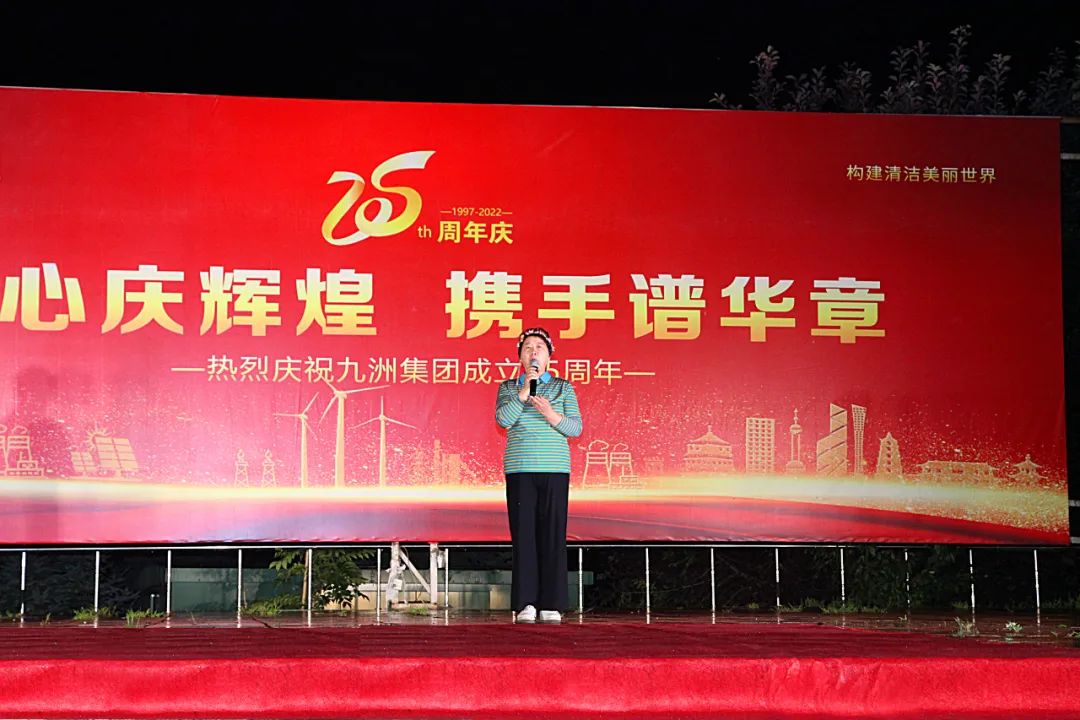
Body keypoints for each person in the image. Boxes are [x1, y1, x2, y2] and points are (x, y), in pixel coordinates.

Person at [495, 327, 582, 623]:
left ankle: (552, 603)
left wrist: (550, 414)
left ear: (549, 356)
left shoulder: (562, 388)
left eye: (539, 348)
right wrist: (523, 393)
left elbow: (576, 428)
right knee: (524, 536)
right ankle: (526, 603)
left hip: (554, 468)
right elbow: (503, 420)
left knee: (553, 536)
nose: (534, 352)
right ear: (521, 357)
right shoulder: (509, 388)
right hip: (520, 468)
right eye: (528, 348)